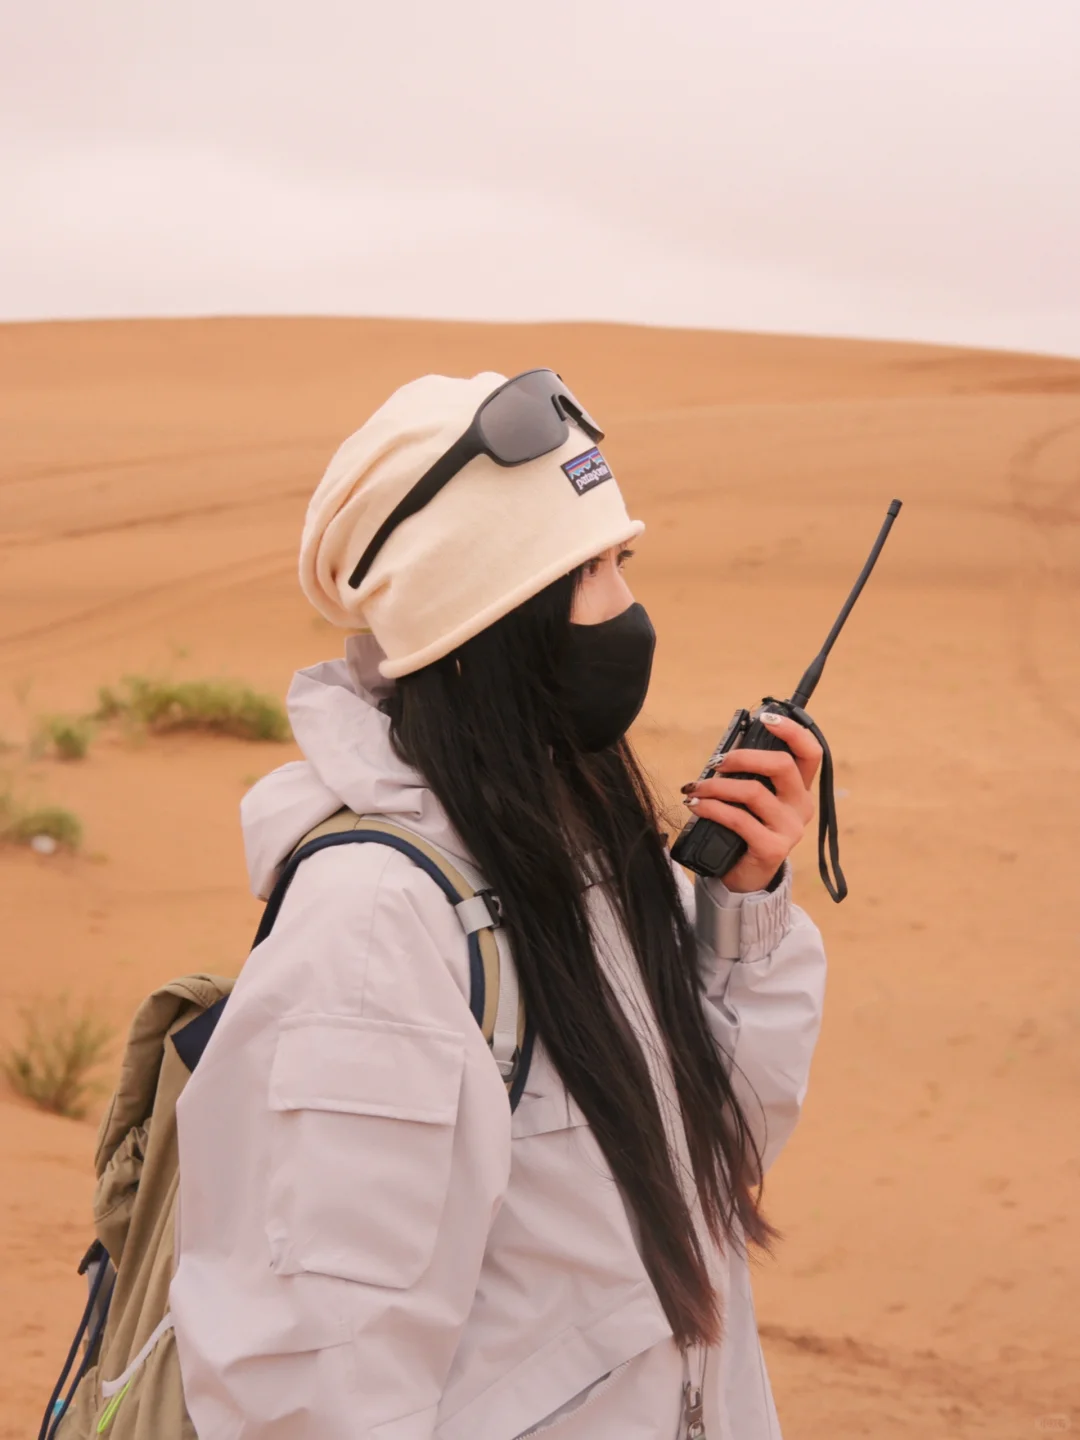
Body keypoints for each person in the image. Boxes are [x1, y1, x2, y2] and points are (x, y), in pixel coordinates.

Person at [170, 369, 827, 1440]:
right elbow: (309, 1391)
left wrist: (741, 917)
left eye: (627, 560)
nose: (628, 607)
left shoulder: (576, 855)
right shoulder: (378, 929)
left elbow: (716, 1155)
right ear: (488, 614)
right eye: (593, 570)